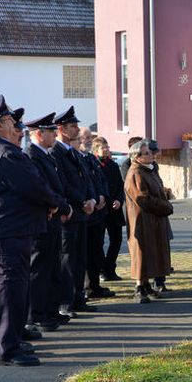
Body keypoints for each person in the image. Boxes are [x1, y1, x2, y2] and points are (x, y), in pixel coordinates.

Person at [0, 95, 59, 366]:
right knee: (8, 289)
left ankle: (10, 339)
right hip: (7, 230)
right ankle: (7, 349)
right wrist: (54, 203)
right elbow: (33, 186)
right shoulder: (3, 152)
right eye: (11, 121)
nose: (17, 127)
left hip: (9, 228)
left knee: (12, 286)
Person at [23, 113, 73, 332]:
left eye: (54, 131)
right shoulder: (32, 155)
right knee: (40, 270)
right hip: (43, 218)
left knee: (52, 267)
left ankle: (51, 311)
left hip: (53, 219)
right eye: (51, 131)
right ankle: (36, 315)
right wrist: (62, 206)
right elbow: (42, 188)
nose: (54, 134)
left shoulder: (46, 154)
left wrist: (64, 206)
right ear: (38, 133)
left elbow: (57, 186)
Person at [50, 106, 97, 317]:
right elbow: (63, 184)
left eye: (76, 125)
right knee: (67, 259)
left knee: (80, 258)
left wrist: (92, 199)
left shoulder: (73, 152)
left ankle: (79, 297)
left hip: (82, 212)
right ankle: (65, 302)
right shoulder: (56, 152)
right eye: (72, 126)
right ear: (60, 129)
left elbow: (85, 179)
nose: (77, 129)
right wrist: (82, 201)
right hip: (68, 214)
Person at [124, 140, 173, 303]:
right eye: (147, 153)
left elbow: (156, 190)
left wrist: (165, 195)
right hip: (142, 220)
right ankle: (139, 287)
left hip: (153, 219)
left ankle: (146, 285)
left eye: (151, 152)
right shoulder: (136, 172)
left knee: (151, 252)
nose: (151, 155)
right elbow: (143, 198)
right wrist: (165, 206)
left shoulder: (149, 170)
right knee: (141, 252)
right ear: (137, 157)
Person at [78, 127, 114, 300]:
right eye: (85, 137)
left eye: (90, 137)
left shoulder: (91, 158)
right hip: (87, 212)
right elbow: (82, 184)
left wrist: (101, 196)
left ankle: (95, 285)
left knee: (96, 251)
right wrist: (92, 199)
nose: (88, 139)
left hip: (99, 211)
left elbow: (101, 181)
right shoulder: (78, 158)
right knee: (85, 253)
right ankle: (86, 286)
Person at [94, 136, 126, 282]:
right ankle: (101, 269)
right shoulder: (94, 164)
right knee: (99, 241)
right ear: (96, 150)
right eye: (103, 148)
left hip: (115, 209)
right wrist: (106, 200)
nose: (106, 150)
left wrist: (119, 200)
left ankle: (110, 267)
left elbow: (120, 186)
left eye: (107, 147)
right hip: (101, 209)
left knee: (117, 239)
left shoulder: (113, 165)